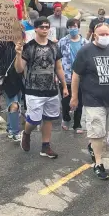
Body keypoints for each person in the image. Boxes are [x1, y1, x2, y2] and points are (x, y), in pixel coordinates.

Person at [70, 23, 109, 180]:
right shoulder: (85, 51)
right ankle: (98, 163)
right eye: (101, 34)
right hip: (92, 99)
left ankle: (92, 146)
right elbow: (76, 74)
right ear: (94, 35)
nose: (104, 36)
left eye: (107, 33)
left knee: (105, 129)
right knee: (97, 130)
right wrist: (74, 96)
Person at [15, 17, 69, 158]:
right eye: (42, 27)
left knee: (49, 118)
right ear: (36, 29)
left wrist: (64, 86)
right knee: (34, 120)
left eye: (47, 27)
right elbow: (19, 69)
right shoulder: (29, 47)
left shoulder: (53, 46)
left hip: (51, 89)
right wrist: (18, 54)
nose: (45, 29)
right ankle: (26, 133)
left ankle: (46, 146)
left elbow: (58, 67)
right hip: (33, 89)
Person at [0, 37, 24, 141]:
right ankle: (15, 133)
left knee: (14, 104)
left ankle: (10, 128)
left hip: (20, 79)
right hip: (7, 79)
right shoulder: (4, 44)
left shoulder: (24, 44)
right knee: (14, 104)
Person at [58, 18, 89, 134]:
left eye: (75, 27)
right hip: (66, 76)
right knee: (66, 101)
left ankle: (77, 123)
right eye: (70, 27)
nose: (73, 29)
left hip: (81, 78)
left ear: (79, 28)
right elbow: (57, 60)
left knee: (80, 102)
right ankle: (66, 119)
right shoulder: (62, 42)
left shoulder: (85, 43)